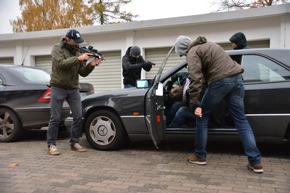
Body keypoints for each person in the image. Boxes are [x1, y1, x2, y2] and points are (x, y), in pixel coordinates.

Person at [174, 35, 263, 173]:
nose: (184, 55)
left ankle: (200, 156)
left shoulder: (192, 52)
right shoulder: (210, 45)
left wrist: (193, 102)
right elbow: (204, 77)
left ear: (184, 49)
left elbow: (195, 77)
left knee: (201, 116)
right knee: (241, 120)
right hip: (237, 80)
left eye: (182, 53)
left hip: (221, 82)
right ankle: (255, 162)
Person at [47, 29, 102, 155]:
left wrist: (91, 65)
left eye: (79, 42)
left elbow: (82, 73)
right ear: (68, 39)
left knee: (78, 116)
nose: (78, 44)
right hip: (58, 87)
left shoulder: (78, 51)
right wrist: (78, 59)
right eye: (75, 42)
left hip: (73, 88)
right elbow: (61, 64)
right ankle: (51, 145)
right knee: (55, 117)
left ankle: (74, 143)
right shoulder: (57, 48)